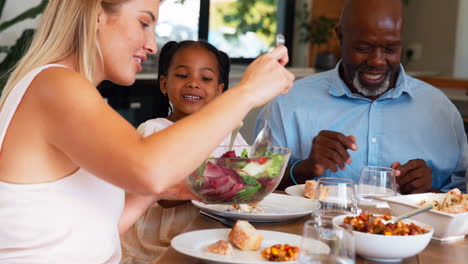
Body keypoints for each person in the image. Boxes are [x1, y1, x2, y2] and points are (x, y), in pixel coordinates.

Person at [0, 0, 294, 262]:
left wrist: (172, 189)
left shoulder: (59, 86)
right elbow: (148, 168)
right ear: (97, 13)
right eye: (144, 22)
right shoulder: (56, 84)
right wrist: (247, 92)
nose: (152, 45)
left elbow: (91, 232)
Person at [254, 0, 467, 194]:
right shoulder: (288, 104)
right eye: (363, 48)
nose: (377, 61)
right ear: (340, 36)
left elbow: (460, 201)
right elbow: (252, 187)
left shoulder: (441, 111)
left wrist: (429, 193)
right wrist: (303, 169)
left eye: (390, 49)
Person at [120, 40, 248, 262]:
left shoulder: (230, 134)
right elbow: (165, 194)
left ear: (219, 90)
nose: (193, 84)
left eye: (205, 78)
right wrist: (223, 182)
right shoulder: (154, 130)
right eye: (182, 76)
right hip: (157, 250)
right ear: (164, 83)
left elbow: (249, 178)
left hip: (211, 243)